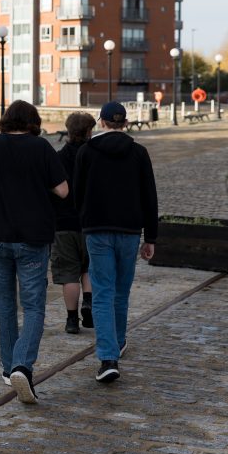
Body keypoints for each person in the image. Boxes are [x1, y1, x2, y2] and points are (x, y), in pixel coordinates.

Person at [0, 100, 67, 404]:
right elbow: (63, 190)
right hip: (33, 237)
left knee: (4, 303)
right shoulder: (41, 147)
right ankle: (22, 365)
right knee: (34, 305)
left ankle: (8, 365)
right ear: (32, 121)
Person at [73, 101, 158, 385]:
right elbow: (149, 196)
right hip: (130, 230)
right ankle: (118, 342)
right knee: (121, 291)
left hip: (97, 229)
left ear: (101, 122)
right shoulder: (139, 153)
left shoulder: (86, 152)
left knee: (102, 292)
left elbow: (77, 194)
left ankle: (108, 358)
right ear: (125, 123)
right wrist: (151, 237)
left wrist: (84, 220)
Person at [51, 112, 95, 334]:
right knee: (89, 266)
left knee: (69, 273)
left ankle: (71, 320)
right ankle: (88, 301)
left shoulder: (58, 158)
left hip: (63, 223)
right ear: (88, 132)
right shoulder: (95, 157)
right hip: (90, 222)